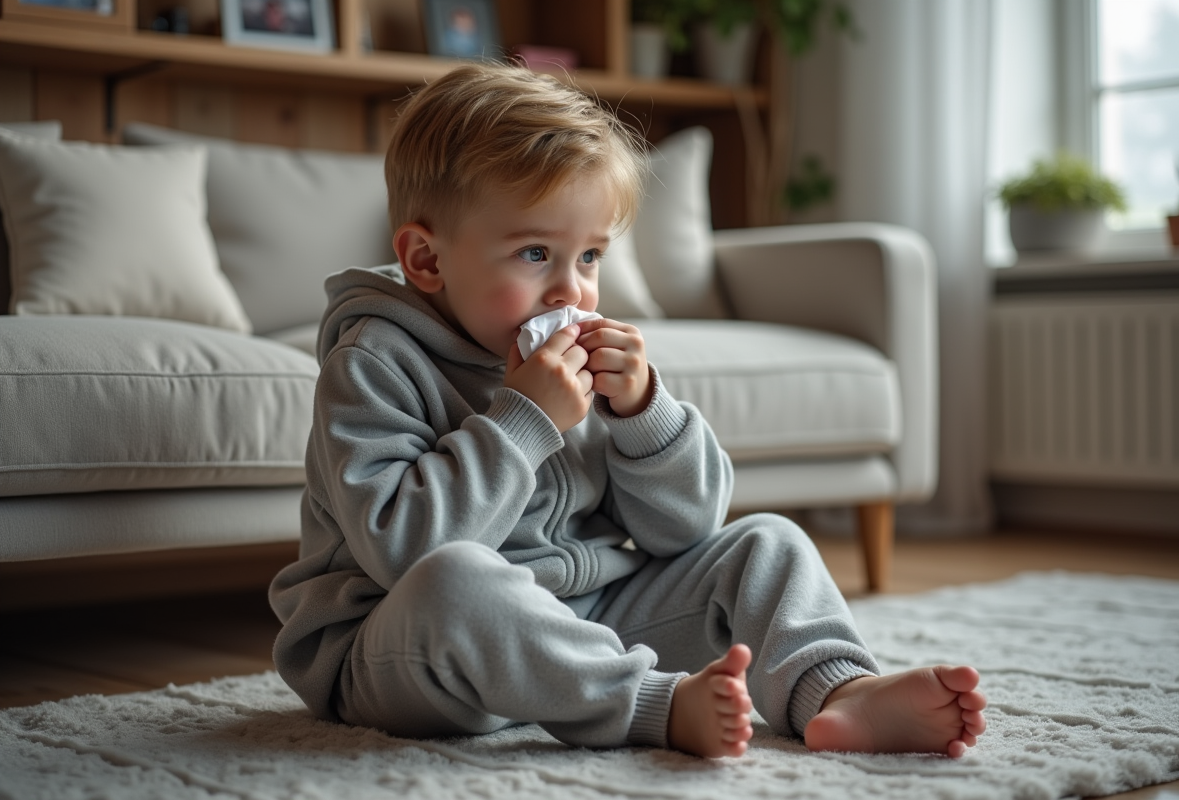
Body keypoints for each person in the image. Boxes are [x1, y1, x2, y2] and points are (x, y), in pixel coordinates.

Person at [268, 62, 987, 760]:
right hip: (402, 652)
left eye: (588, 258)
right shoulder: (372, 361)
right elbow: (406, 552)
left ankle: (836, 690)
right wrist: (524, 419)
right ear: (426, 260)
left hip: (585, 616)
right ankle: (653, 704)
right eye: (534, 253)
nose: (571, 293)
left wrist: (644, 412)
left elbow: (686, 530)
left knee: (764, 541)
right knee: (456, 583)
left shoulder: (590, 363)